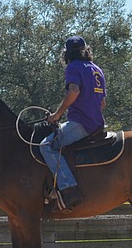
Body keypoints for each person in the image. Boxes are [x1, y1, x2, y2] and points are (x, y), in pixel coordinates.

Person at [40, 36, 106, 210]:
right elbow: (102, 103)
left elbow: (74, 91)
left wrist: (56, 115)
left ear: (67, 53)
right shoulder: (96, 69)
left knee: (46, 145)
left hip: (81, 124)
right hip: (97, 124)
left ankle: (68, 189)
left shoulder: (73, 67)